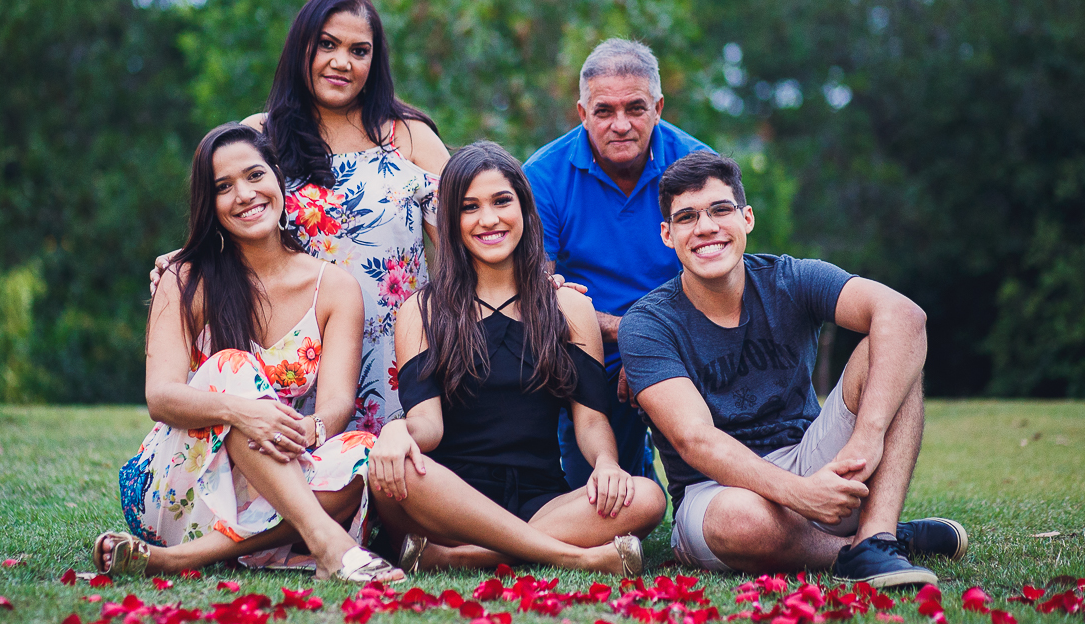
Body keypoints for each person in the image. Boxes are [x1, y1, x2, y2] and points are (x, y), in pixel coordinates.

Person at [619, 151, 968, 588]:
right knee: (741, 521)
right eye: (687, 217)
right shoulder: (647, 322)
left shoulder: (790, 278)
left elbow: (904, 316)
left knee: (893, 352)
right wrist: (802, 495)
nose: (706, 227)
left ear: (746, 218)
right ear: (668, 235)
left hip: (809, 454)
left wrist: (866, 439)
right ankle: (867, 548)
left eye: (720, 210)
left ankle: (878, 537)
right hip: (716, 492)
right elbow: (697, 440)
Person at [96, 123, 403, 581]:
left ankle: (179, 561)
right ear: (210, 204)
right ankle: (326, 542)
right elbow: (160, 397)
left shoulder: (334, 288)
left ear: (278, 179)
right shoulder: (184, 279)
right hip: (180, 489)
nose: (244, 194)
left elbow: (336, 405)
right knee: (229, 367)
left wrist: (306, 429)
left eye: (255, 175)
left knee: (362, 452)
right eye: (223, 187)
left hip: (275, 481)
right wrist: (242, 412)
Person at [152, 0, 450, 434]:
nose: (341, 61)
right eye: (327, 44)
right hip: (292, 362)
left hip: (399, 354)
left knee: (392, 481)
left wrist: (531, 278)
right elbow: (231, 213)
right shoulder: (260, 135)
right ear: (301, 47)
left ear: (375, 62)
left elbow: (468, 236)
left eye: (359, 50)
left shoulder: (410, 137)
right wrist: (180, 261)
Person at [366, 142, 665, 575]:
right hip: (450, 501)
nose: (489, 219)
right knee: (391, 474)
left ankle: (462, 558)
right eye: (470, 207)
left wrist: (606, 464)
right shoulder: (421, 310)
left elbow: (591, 420)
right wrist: (397, 432)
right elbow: (427, 428)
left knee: (647, 496)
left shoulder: (568, 306)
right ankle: (569, 555)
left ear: (525, 209)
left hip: (543, 498)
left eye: (502, 201)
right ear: (451, 220)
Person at [523, 38, 711, 488]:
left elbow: (722, 276)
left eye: (635, 108)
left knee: (715, 484)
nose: (620, 124)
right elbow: (537, 288)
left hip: (686, 337)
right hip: (589, 345)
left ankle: (700, 490)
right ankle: (627, 466)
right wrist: (628, 337)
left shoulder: (699, 166)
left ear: (659, 107)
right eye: (604, 111)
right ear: (582, 113)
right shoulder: (542, 176)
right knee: (599, 494)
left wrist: (649, 345)